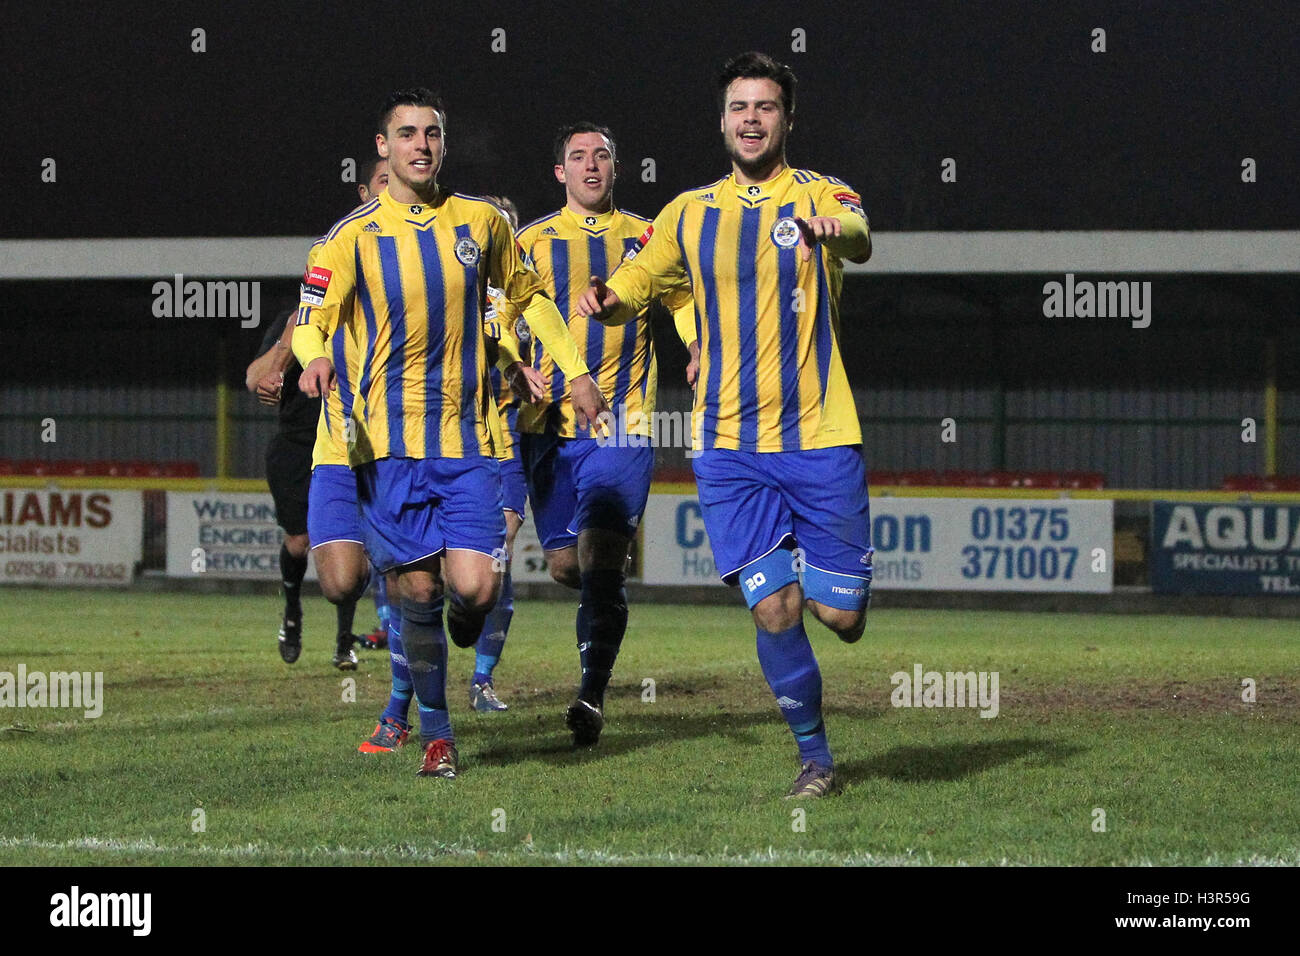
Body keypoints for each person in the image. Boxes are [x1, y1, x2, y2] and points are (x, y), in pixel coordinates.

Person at [577, 53, 873, 797]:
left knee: (839, 614)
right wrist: (607, 300)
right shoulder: (688, 212)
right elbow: (641, 277)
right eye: (739, 107)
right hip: (728, 446)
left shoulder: (821, 191)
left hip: (819, 435)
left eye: (765, 107)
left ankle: (813, 570)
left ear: (787, 118)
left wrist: (831, 228)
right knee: (774, 607)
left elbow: (860, 234)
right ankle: (817, 759)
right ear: (722, 120)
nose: (750, 119)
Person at [295, 88, 605, 779]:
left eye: (432, 133)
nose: (422, 145)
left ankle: (451, 642)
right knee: (415, 592)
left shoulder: (483, 223)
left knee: (479, 591)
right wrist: (314, 355)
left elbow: (528, 298)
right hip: (390, 449)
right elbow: (312, 316)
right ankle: (437, 736)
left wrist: (574, 371)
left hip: (466, 446)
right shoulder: (349, 238)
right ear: (384, 147)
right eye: (407, 134)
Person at [511, 122, 696, 746]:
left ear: (616, 169)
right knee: (567, 566)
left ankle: (591, 695)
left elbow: (680, 300)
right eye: (578, 157)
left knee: (599, 562)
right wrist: (516, 362)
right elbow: (499, 312)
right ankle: (603, 599)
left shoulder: (647, 239)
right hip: (546, 429)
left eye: (603, 156)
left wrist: (696, 347)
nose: (591, 166)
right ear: (560, 173)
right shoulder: (529, 241)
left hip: (624, 422)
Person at [248, 156, 396, 671]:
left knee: (361, 556)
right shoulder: (328, 272)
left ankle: (345, 641)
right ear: (363, 191)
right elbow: (255, 377)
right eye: (381, 180)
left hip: (363, 438)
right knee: (301, 541)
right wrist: (290, 345)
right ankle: (292, 608)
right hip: (299, 445)